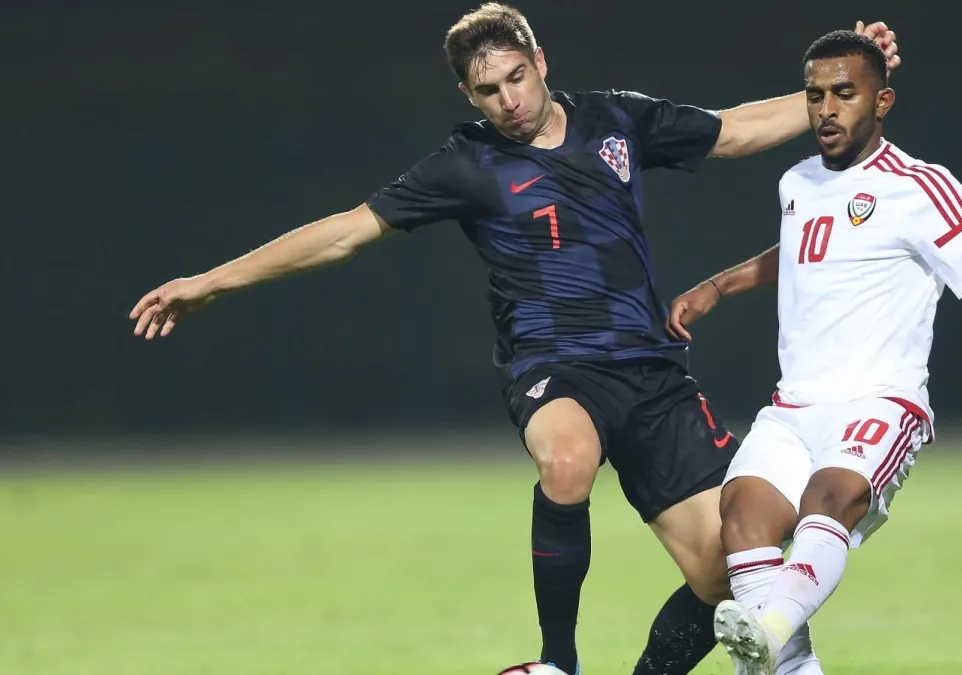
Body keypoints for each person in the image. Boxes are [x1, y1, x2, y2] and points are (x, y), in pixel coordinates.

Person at [127, 5, 901, 674]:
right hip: (553, 365)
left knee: (724, 573)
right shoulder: (467, 164)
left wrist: (841, 91)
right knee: (566, 460)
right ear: (468, 95)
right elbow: (343, 233)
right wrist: (212, 281)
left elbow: (733, 131)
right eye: (488, 90)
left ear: (540, 62)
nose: (508, 100)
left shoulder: (614, 120)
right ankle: (557, 659)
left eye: (516, 78)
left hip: (650, 373)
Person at [665, 29, 962, 675]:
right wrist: (719, 286)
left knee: (827, 500)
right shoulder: (796, 182)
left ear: (882, 101)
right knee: (741, 516)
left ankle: (770, 627)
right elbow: (806, 247)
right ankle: (775, 646)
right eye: (815, 95)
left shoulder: (921, 187)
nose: (827, 109)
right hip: (794, 405)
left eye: (844, 94)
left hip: (880, 401)